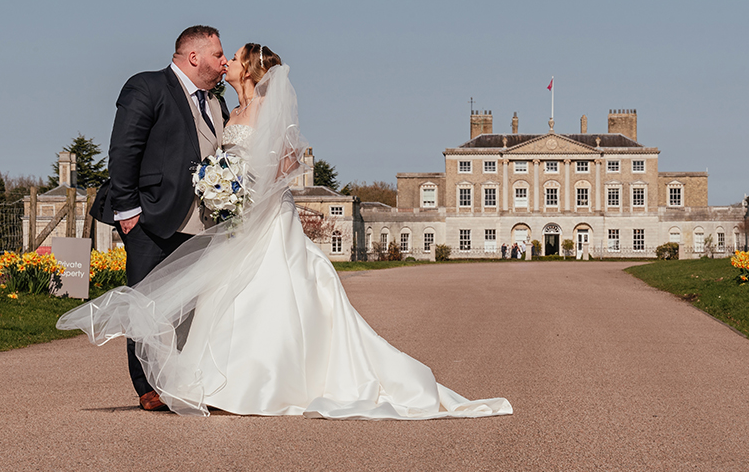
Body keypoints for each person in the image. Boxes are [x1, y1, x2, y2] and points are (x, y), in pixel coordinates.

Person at [61, 44, 512, 420]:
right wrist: (221, 189)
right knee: (224, 294)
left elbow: (288, 163)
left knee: (270, 291)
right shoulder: (227, 107)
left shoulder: (256, 109)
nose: (226, 63)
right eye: (222, 55)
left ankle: (266, 381)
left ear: (251, 69)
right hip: (235, 220)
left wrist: (244, 191)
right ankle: (217, 383)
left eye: (232, 57)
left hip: (265, 216)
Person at [88, 25, 228, 411]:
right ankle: (147, 385)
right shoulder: (147, 87)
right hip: (149, 217)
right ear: (194, 56)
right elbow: (124, 148)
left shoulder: (217, 104)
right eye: (218, 54)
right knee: (146, 305)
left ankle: (180, 380)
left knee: (188, 308)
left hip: (202, 223)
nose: (224, 62)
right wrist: (127, 208)